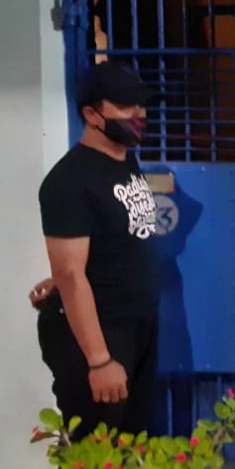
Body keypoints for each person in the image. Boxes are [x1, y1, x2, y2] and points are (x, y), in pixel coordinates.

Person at [33, 60, 159, 440]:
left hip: (135, 324)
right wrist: (99, 360)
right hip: (99, 336)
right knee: (94, 451)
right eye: (125, 105)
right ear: (92, 114)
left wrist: (61, 277)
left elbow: (104, 242)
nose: (138, 113)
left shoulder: (124, 159)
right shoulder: (68, 182)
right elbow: (72, 275)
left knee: (128, 448)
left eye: (141, 104)